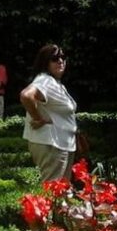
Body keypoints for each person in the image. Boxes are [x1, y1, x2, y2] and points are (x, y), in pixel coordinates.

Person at [20, 44, 78, 184]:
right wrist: (38, 118)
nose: (60, 61)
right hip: (52, 144)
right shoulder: (45, 80)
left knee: (61, 191)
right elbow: (26, 95)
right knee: (52, 191)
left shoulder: (54, 83)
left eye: (63, 57)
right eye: (54, 58)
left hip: (60, 143)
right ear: (45, 62)